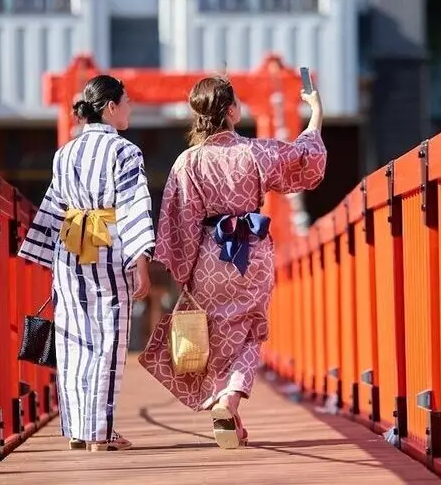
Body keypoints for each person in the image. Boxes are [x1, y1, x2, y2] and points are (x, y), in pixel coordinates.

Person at [139, 75, 327, 449]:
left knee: (212, 334)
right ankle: (230, 401)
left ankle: (224, 406)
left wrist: (185, 272)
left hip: (209, 256)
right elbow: (303, 159)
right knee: (251, 331)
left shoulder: (187, 161)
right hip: (252, 253)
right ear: (230, 111)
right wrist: (316, 112)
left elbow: (181, 221)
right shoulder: (256, 152)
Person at [19, 75, 155, 452]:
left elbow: (53, 206)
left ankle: (79, 429)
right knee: (109, 341)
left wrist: (41, 255)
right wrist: (141, 260)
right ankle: (101, 432)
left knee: (74, 339)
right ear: (110, 106)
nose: (131, 107)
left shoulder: (65, 152)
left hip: (70, 250)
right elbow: (133, 208)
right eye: (126, 101)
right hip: (109, 248)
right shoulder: (125, 152)